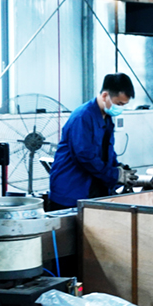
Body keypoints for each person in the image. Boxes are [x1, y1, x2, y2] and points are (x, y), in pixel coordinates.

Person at [49, 74, 137, 210]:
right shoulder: (82, 117)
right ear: (105, 96)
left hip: (93, 189)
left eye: (124, 105)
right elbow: (84, 156)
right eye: (119, 104)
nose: (120, 108)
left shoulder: (107, 118)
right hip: (71, 191)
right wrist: (115, 174)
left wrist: (118, 167)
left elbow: (107, 151)